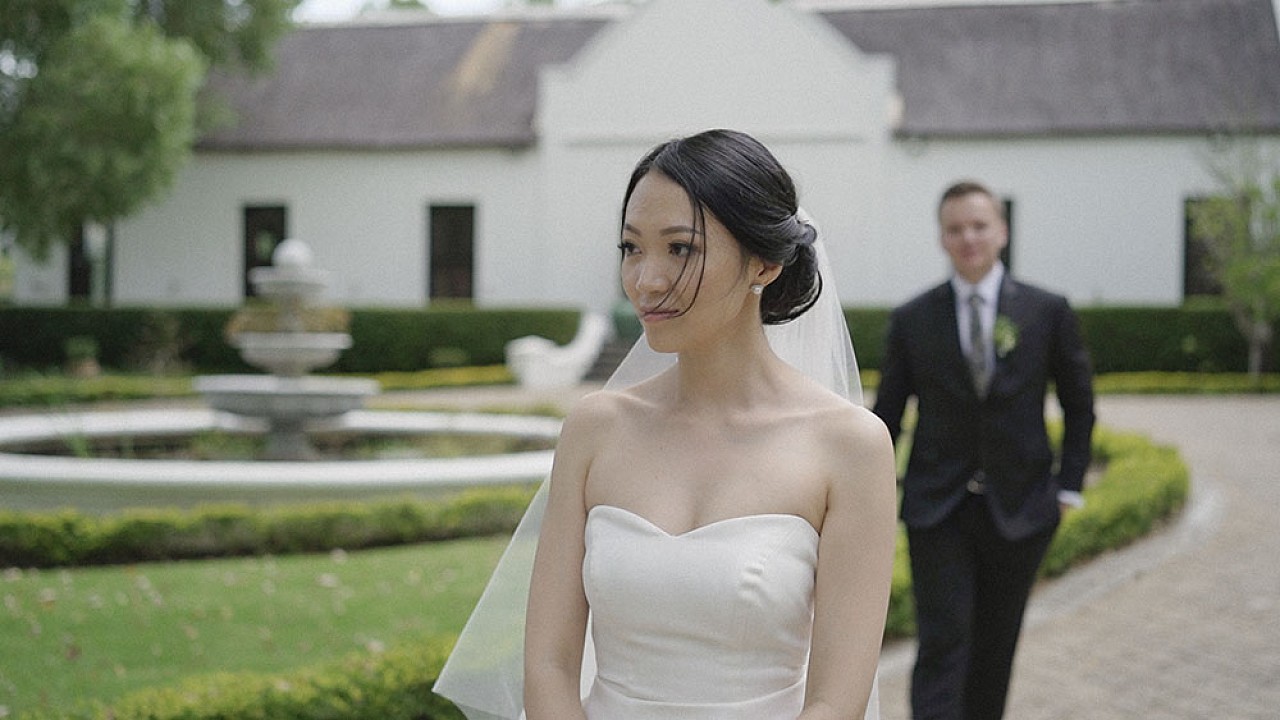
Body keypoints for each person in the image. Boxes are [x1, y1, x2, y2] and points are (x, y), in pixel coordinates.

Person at [434, 129, 897, 719]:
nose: (647, 281)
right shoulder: (595, 429)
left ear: (764, 261)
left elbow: (837, 699)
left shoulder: (848, 445)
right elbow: (548, 665)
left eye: (681, 248)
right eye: (632, 248)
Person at [872, 180, 1096, 720]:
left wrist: (1068, 487)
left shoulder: (1047, 310)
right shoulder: (912, 318)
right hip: (937, 508)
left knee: (996, 647)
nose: (968, 237)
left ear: (1002, 231)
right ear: (942, 238)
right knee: (943, 640)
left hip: (1021, 509)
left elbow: (1079, 402)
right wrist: (872, 496)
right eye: (955, 228)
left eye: (979, 226)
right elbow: (887, 416)